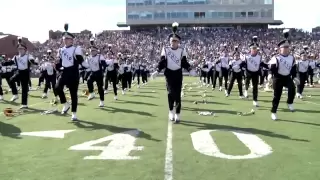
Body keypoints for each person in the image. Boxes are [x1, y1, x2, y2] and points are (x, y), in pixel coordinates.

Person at [151, 22, 196, 123]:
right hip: (169, 74)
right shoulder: (166, 50)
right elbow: (162, 61)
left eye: (175, 41)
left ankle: (178, 114)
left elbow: (184, 62)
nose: (173, 43)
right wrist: (157, 71)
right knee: (170, 93)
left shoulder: (181, 50)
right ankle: (171, 110)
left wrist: (190, 69)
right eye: (172, 41)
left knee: (178, 94)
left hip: (178, 74)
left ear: (178, 42)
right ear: (170, 41)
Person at [268, 29, 299, 121]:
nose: (286, 49)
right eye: (284, 48)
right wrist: (270, 75)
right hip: (278, 78)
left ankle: (289, 102)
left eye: (287, 47)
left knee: (292, 88)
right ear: (280, 49)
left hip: (287, 77)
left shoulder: (292, 58)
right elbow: (271, 68)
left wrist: (295, 77)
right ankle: (274, 112)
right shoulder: (276, 58)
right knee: (277, 96)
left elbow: (293, 69)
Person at [55, 23, 84, 121]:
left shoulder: (76, 49)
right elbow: (59, 62)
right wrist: (58, 66)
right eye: (64, 39)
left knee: (73, 93)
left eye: (67, 39)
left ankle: (74, 113)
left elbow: (81, 61)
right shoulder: (60, 50)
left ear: (71, 40)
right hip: (64, 72)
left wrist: (85, 66)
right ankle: (65, 104)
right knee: (57, 87)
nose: (65, 40)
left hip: (73, 72)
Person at [10, 37, 38, 108]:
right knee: (11, 80)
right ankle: (15, 94)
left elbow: (32, 61)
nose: (20, 50)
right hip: (19, 72)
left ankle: (24, 104)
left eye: (21, 49)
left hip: (25, 73)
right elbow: (10, 62)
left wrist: (34, 62)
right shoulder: (16, 57)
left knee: (24, 89)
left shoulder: (28, 56)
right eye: (19, 49)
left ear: (25, 50)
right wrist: (5, 63)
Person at [82, 38, 106, 107]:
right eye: (91, 51)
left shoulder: (100, 56)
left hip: (99, 73)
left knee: (100, 88)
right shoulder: (89, 57)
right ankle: (92, 93)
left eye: (93, 50)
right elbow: (85, 65)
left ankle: (102, 101)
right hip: (93, 72)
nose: (92, 52)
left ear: (96, 51)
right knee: (89, 81)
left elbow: (104, 64)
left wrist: (103, 65)